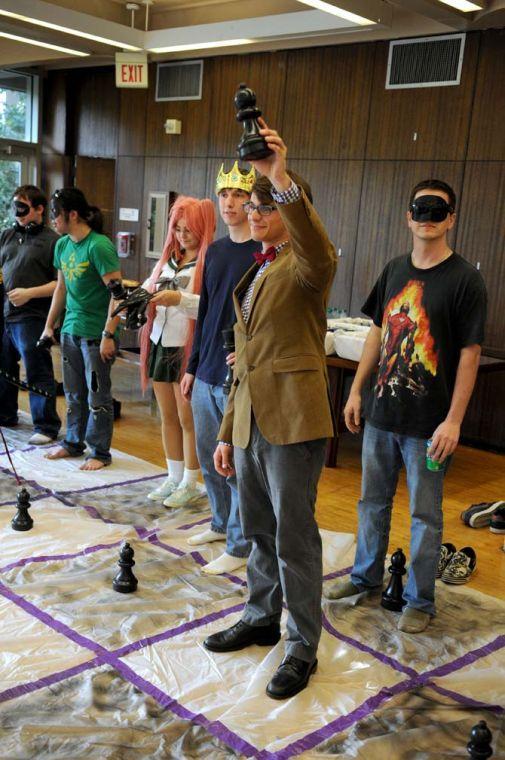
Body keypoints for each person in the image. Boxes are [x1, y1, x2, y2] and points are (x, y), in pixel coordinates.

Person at [204, 122, 337, 700]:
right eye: (250, 205)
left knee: (294, 537)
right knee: (258, 529)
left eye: (265, 205)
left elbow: (314, 243)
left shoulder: (309, 266)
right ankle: (261, 616)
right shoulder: (258, 270)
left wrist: (280, 177)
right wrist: (230, 431)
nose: (254, 213)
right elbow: (245, 360)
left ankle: (302, 644)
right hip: (254, 420)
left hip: (294, 420)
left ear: (287, 207)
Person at [326, 180, 487, 634]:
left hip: (429, 427)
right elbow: (377, 331)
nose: (428, 217)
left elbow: (469, 354)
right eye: (421, 208)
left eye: (439, 210)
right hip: (382, 416)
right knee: (370, 504)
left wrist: (454, 421)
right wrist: (356, 390)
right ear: (408, 216)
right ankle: (364, 577)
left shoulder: (465, 281)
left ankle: (420, 599)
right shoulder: (395, 269)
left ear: (451, 218)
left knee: (425, 514)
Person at [180, 162, 258, 575]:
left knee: (235, 465)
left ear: (252, 202)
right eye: (225, 195)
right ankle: (218, 522)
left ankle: (240, 542)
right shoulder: (216, 251)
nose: (230, 203)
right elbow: (207, 311)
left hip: (238, 375)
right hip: (207, 367)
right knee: (210, 459)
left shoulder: (262, 253)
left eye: (239, 196)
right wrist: (192, 365)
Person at [140, 195, 216, 507]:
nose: (183, 235)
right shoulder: (169, 260)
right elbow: (148, 288)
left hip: (186, 349)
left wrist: (179, 299)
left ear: (203, 228)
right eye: (178, 228)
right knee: (167, 416)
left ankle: (190, 481)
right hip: (159, 343)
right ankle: (173, 476)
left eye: (189, 229)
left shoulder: (209, 263)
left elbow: (213, 308)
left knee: (188, 420)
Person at [40, 188, 121, 471]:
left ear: (72, 214)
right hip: (70, 330)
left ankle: (100, 451)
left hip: (95, 333)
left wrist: (108, 335)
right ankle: (73, 443)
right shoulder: (62, 245)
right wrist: (49, 326)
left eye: (55, 214)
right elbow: (61, 289)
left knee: (97, 395)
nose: (52, 220)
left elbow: (118, 294)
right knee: (74, 393)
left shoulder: (99, 246)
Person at [0, 185, 61, 443]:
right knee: (3, 366)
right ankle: (5, 414)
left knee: (37, 368)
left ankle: (46, 425)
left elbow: (61, 284)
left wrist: (29, 293)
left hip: (33, 315)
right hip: (5, 314)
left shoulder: (53, 241)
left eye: (24, 208)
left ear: (39, 209)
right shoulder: (7, 235)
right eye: (16, 207)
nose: (18, 213)